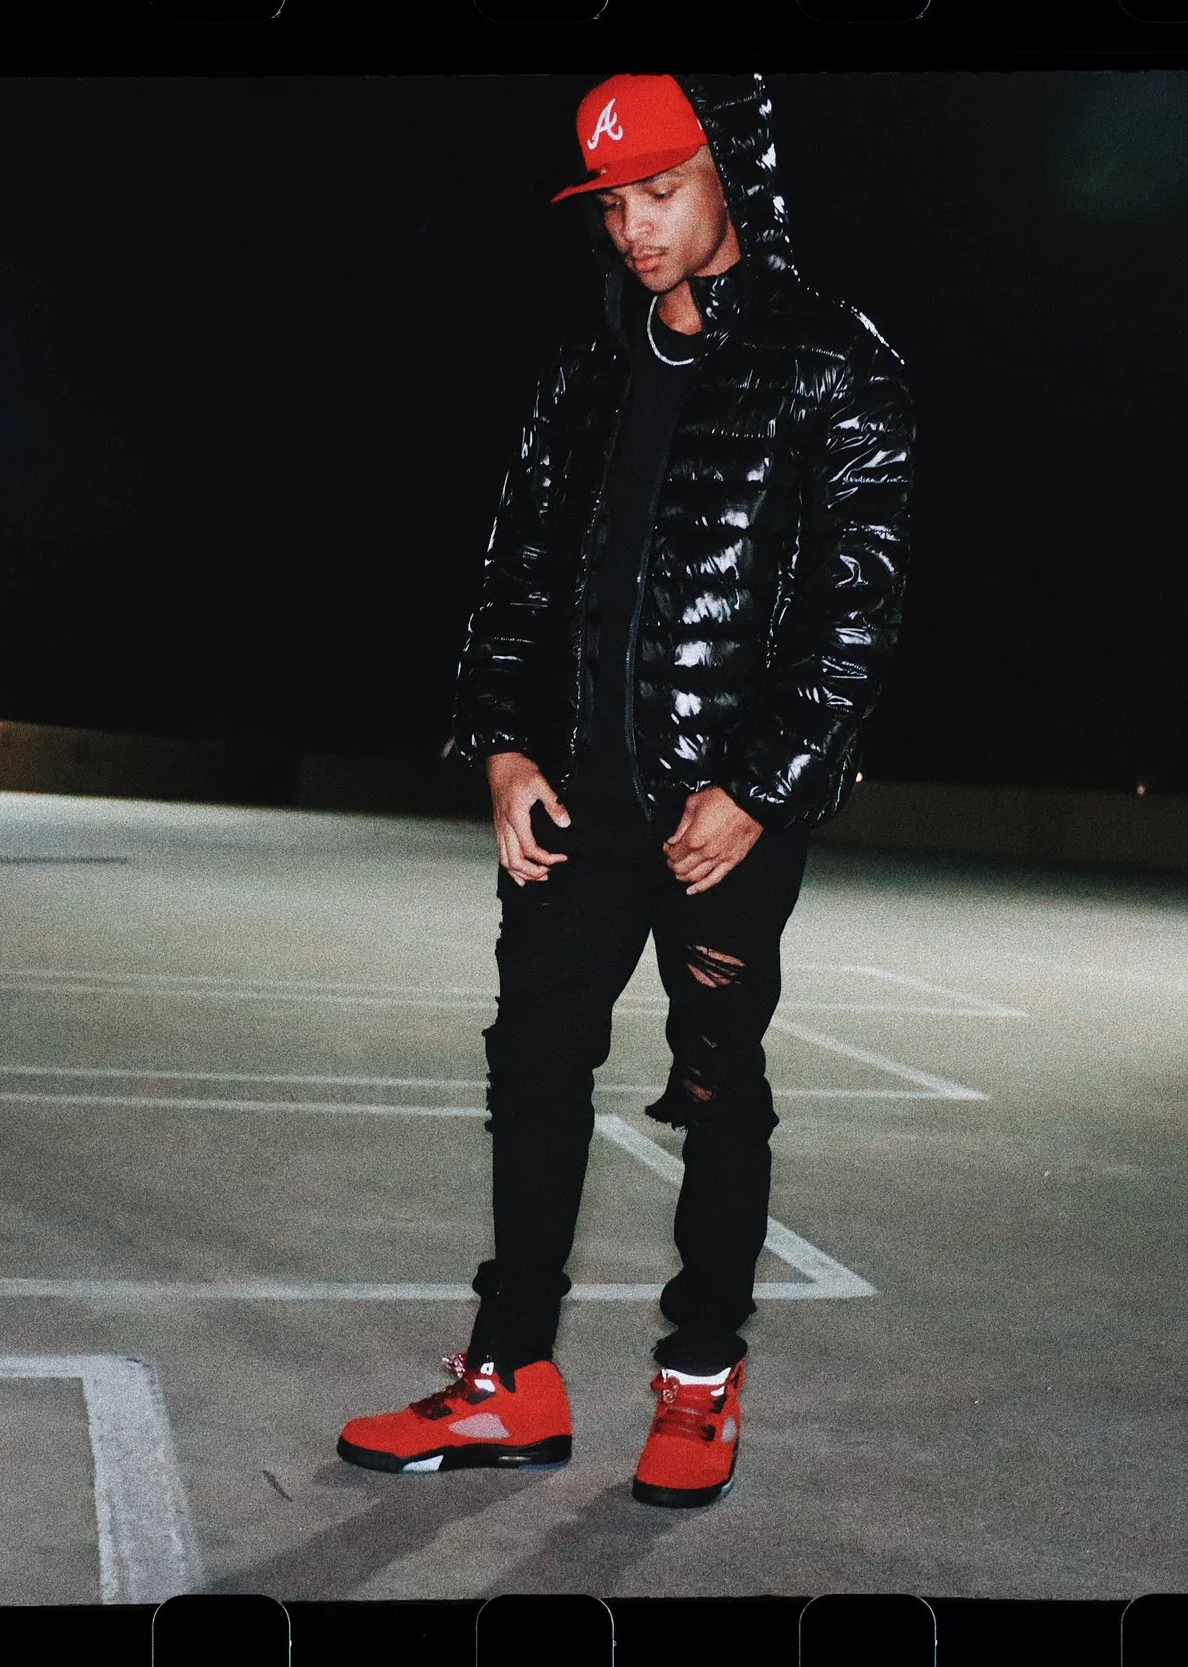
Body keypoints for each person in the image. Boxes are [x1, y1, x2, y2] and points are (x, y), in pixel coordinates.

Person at [337, 71, 913, 1509]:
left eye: (661, 190)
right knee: (532, 1065)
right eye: (612, 203)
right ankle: (510, 1379)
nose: (635, 227)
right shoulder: (585, 371)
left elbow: (855, 608)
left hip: (725, 819)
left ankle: (700, 1374)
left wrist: (761, 787)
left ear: (734, 173)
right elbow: (518, 577)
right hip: (577, 806)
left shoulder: (833, 363)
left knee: (718, 1086)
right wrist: (505, 751)